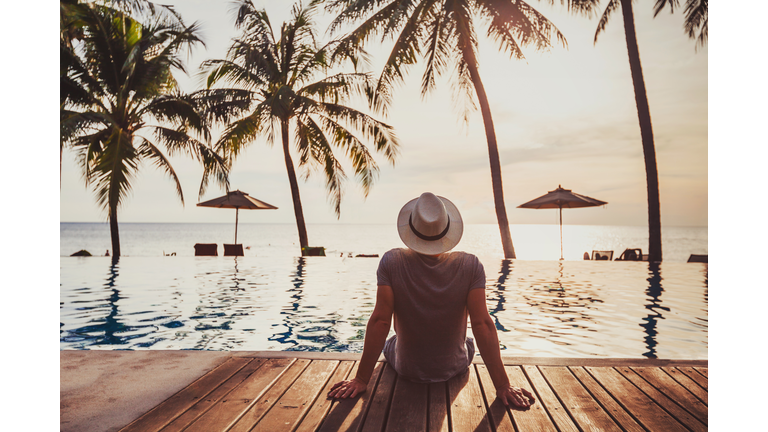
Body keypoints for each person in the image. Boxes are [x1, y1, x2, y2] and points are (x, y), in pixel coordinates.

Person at [328, 192, 534, 408]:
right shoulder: (471, 265)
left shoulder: (391, 261)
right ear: (447, 230)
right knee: (469, 342)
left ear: (411, 229)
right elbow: (482, 324)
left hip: (406, 368)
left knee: (391, 342)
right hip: (453, 367)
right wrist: (503, 385)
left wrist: (361, 379)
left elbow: (380, 321)